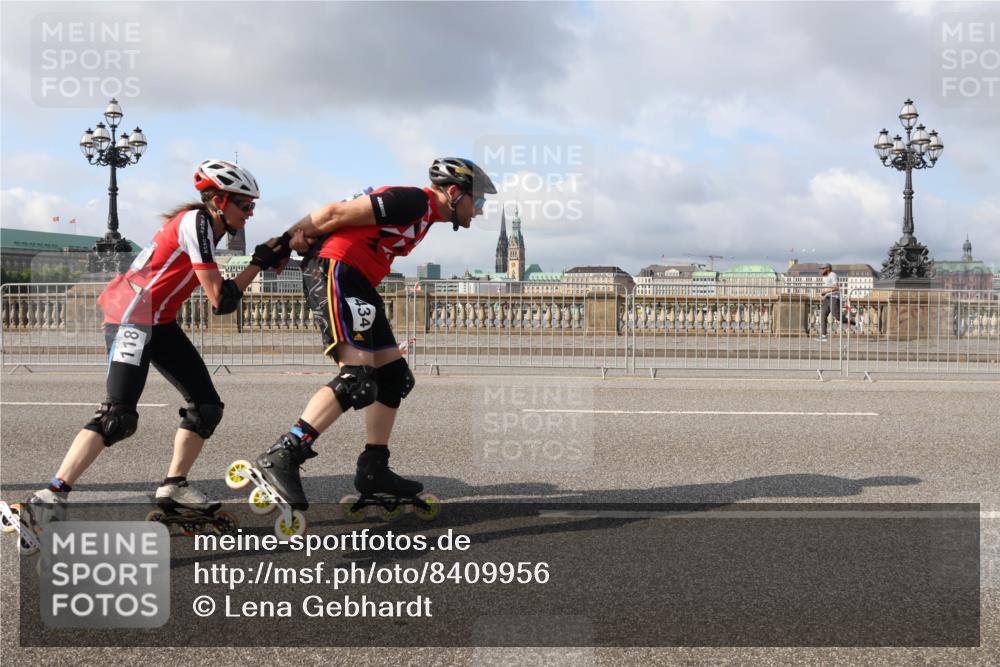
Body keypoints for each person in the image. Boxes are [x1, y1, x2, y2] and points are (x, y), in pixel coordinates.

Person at [15, 159, 290, 533]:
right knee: (118, 417)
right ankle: (48, 497)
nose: (251, 212)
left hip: (159, 321)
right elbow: (221, 301)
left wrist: (271, 254)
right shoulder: (196, 224)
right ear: (220, 200)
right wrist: (258, 262)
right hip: (130, 317)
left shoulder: (209, 227)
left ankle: (174, 489)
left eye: (253, 206)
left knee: (207, 407)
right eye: (245, 205)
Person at [250, 157, 496, 511]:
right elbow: (335, 213)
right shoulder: (412, 200)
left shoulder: (426, 216)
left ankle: (374, 469)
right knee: (357, 379)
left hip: (359, 282)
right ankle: (285, 452)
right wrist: (287, 240)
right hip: (336, 271)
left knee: (394, 377)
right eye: (480, 200)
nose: (481, 210)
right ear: (455, 192)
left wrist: (297, 242)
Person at [816, 262, 840, 342]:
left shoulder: (833, 274)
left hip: (834, 297)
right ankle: (823, 335)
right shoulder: (825, 277)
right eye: (821, 269)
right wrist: (824, 292)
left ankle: (852, 322)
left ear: (828, 268)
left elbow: (836, 287)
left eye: (823, 269)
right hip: (827, 298)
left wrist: (826, 291)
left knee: (837, 316)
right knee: (822, 316)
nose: (821, 270)